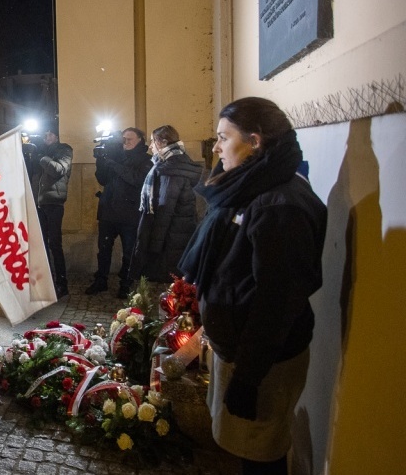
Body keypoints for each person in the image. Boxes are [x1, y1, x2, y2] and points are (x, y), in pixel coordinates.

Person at [178, 97, 327, 475]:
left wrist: (247, 377)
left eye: (223, 137)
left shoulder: (279, 205)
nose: (216, 147)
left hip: (263, 363)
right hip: (242, 350)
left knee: (261, 454)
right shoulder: (252, 185)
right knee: (247, 447)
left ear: (255, 141)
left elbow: (277, 302)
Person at [128, 125, 203, 284]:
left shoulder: (170, 169)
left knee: (169, 282)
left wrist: (153, 247)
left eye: (152, 142)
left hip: (170, 238)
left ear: (162, 142)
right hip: (178, 232)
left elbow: (165, 210)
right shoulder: (177, 162)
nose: (150, 146)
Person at [85, 127, 152, 298]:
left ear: (140, 140)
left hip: (130, 214)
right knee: (104, 249)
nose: (125, 142)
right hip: (108, 211)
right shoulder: (116, 155)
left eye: (129, 139)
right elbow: (102, 179)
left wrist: (114, 165)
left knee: (129, 252)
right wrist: (101, 160)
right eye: (124, 139)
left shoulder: (146, 160)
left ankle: (126, 284)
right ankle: (101, 280)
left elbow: (137, 180)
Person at [32, 122, 73, 298]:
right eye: (44, 135)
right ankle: (45, 281)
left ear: (56, 136)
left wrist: (42, 157)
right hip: (38, 202)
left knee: (55, 243)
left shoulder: (64, 150)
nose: (46, 137)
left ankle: (61, 283)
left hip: (53, 203)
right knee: (40, 244)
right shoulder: (39, 152)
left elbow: (59, 170)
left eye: (49, 134)